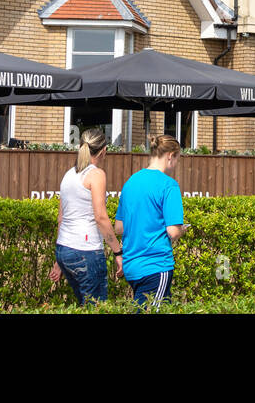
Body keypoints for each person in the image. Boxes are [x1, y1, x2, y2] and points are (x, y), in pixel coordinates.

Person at [48, 127, 122, 306]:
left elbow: (61, 218)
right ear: (104, 150)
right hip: (86, 250)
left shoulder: (68, 175)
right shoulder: (96, 174)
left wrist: (59, 261)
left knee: (84, 304)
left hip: (64, 249)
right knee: (96, 307)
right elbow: (101, 217)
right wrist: (118, 251)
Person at [114, 134, 188, 311]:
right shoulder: (169, 185)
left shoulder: (130, 182)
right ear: (170, 155)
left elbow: (119, 227)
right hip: (155, 265)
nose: (176, 163)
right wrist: (182, 229)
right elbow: (173, 231)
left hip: (132, 266)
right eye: (177, 158)